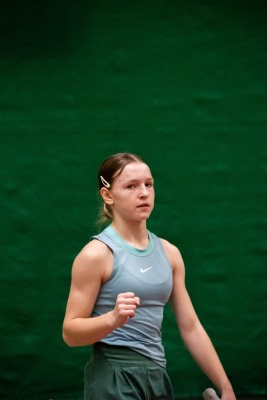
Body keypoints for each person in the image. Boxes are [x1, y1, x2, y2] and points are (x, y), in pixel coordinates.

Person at [62, 152, 236, 400]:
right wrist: (112, 319)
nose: (144, 193)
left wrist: (226, 387)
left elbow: (191, 327)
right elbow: (70, 333)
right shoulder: (96, 254)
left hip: (157, 375)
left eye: (148, 184)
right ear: (108, 195)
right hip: (112, 376)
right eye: (131, 186)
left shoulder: (170, 253)